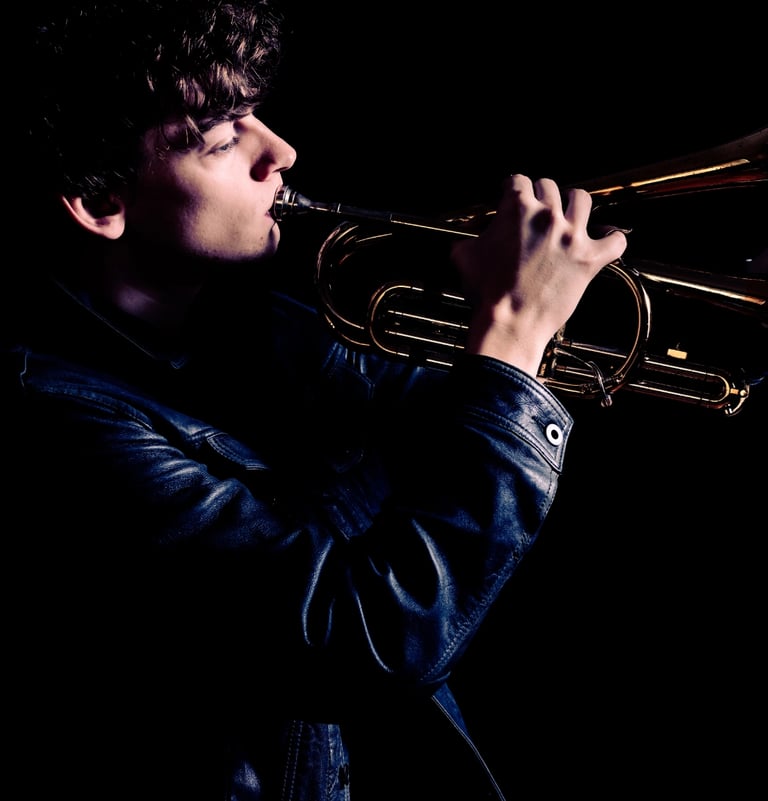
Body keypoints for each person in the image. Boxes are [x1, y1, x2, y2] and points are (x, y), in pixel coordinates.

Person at [5, 1, 627, 799]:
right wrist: (511, 338)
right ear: (99, 203)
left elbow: (476, 438)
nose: (282, 151)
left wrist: (526, 323)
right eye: (225, 137)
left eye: (256, 115)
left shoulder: (263, 325)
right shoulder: (56, 421)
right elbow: (365, 635)